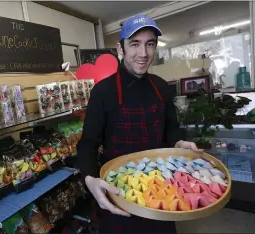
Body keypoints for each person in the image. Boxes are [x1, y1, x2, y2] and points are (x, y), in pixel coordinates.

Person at [75, 13, 204, 233]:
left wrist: (180, 143)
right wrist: (89, 178)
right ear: (120, 48)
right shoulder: (103, 92)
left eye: (150, 44)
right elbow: (88, 143)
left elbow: (171, 129)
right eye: (135, 44)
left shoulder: (161, 87)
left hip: (159, 188)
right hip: (119, 193)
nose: (143, 53)